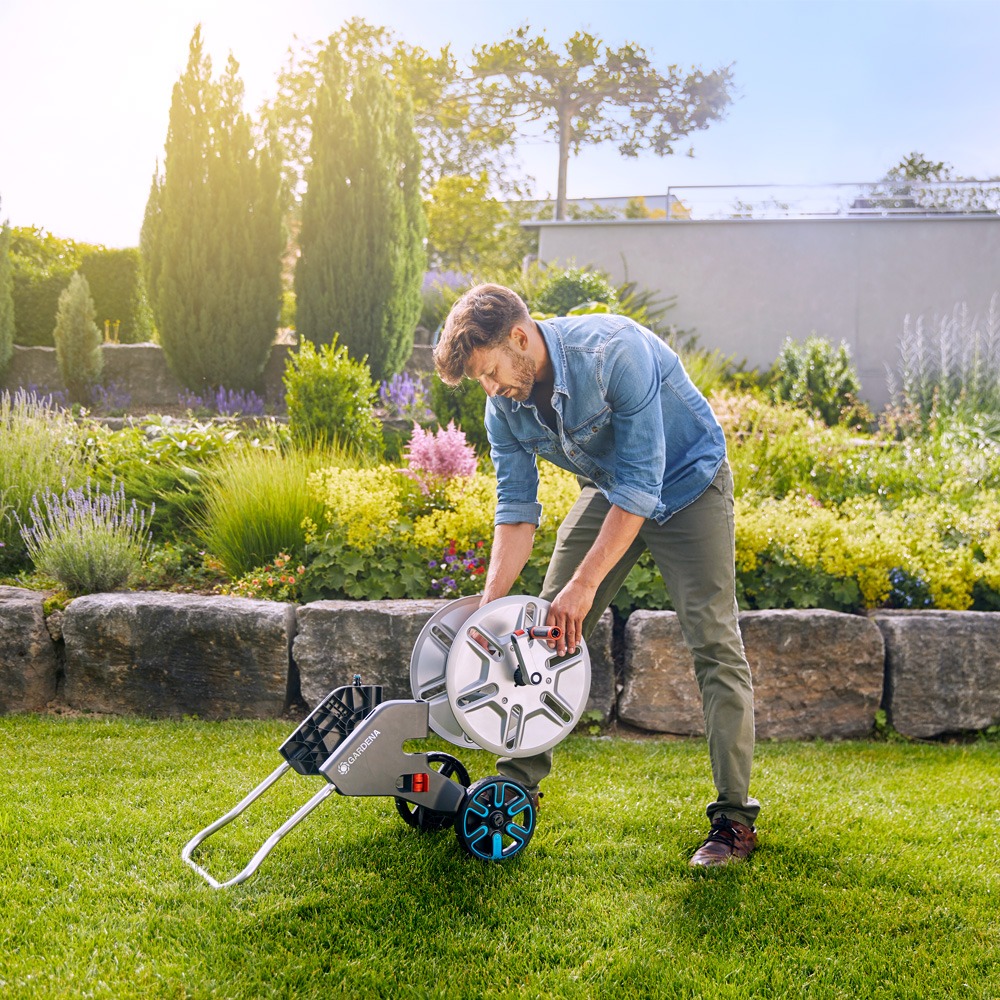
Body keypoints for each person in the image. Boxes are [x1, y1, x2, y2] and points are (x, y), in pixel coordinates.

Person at [433, 283, 759, 867]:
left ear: (519, 337)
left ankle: (734, 819)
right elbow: (516, 508)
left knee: (714, 641)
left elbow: (643, 485)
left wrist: (583, 587)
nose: (491, 389)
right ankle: (515, 788)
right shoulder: (503, 403)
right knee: (543, 629)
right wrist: (489, 606)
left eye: (491, 372)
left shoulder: (613, 352)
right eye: (480, 380)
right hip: (614, 490)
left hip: (689, 483)